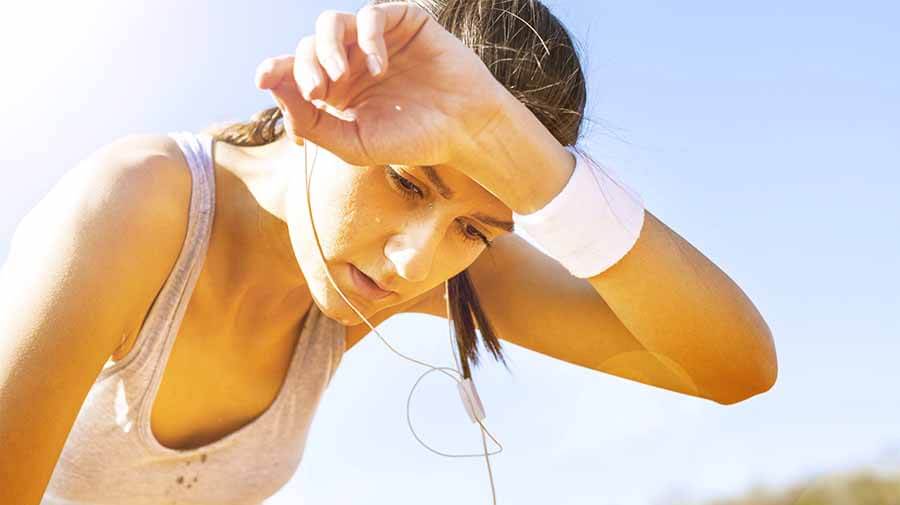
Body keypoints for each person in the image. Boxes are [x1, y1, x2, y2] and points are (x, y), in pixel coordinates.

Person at [0, 1, 778, 504]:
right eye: (407, 183)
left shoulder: (427, 264)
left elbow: (734, 368)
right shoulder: (137, 205)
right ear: (336, 97)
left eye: (475, 228)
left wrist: (540, 175)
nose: (413, 263)